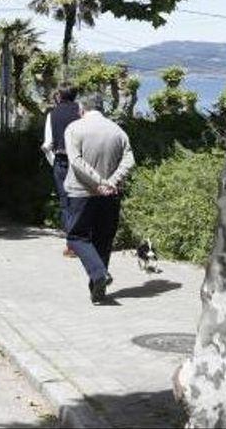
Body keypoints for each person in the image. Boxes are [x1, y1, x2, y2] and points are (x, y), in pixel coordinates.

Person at [63, 94, 135, 304]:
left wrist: (98, 181)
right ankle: (98, 288)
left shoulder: (74, 128)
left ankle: (99, 275)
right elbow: (129, 160)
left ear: (81, 108)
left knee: (76, 237)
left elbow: (75, 161)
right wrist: (111, 181)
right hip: (111, 194)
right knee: (104, 238)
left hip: (81, 192)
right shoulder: (117, 130)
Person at [41, 85, 81, 258]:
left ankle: (72, 245)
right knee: (82, 201)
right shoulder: (82, 111)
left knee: (66, 203)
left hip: (62, 161)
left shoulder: (52, 114)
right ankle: (86, 239)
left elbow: (47, 144)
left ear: (59, 95)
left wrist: (53, 161)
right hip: (81, 161)